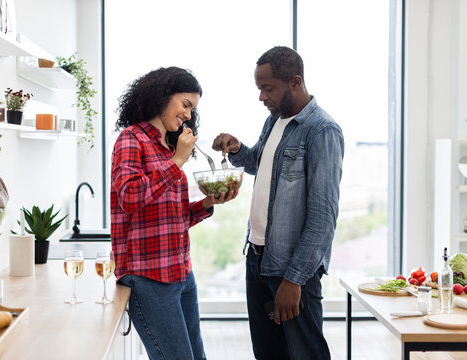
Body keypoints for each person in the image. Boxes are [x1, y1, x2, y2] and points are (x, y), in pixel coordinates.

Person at [212, 46, 344, 359]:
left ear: (295, 82)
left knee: (304, 354)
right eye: (259, 89)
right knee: (268, 353)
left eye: (267, 88)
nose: (261, 97)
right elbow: (259, 162)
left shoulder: (322, 131)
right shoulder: (275, 121)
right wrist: (237, 148)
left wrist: (294, 278)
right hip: (257, 260)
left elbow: (323, 217)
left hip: (291, 270)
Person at [111, 66, 238, 360]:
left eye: (193, 109)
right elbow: (129, 197)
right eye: (186, 105)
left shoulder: (167, 148)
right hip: (148, 278)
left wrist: (208, 204)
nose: (189, 115)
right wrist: (179, 160)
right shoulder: (131, 140)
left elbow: (171, 219)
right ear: (163, 96)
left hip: (181, 272)